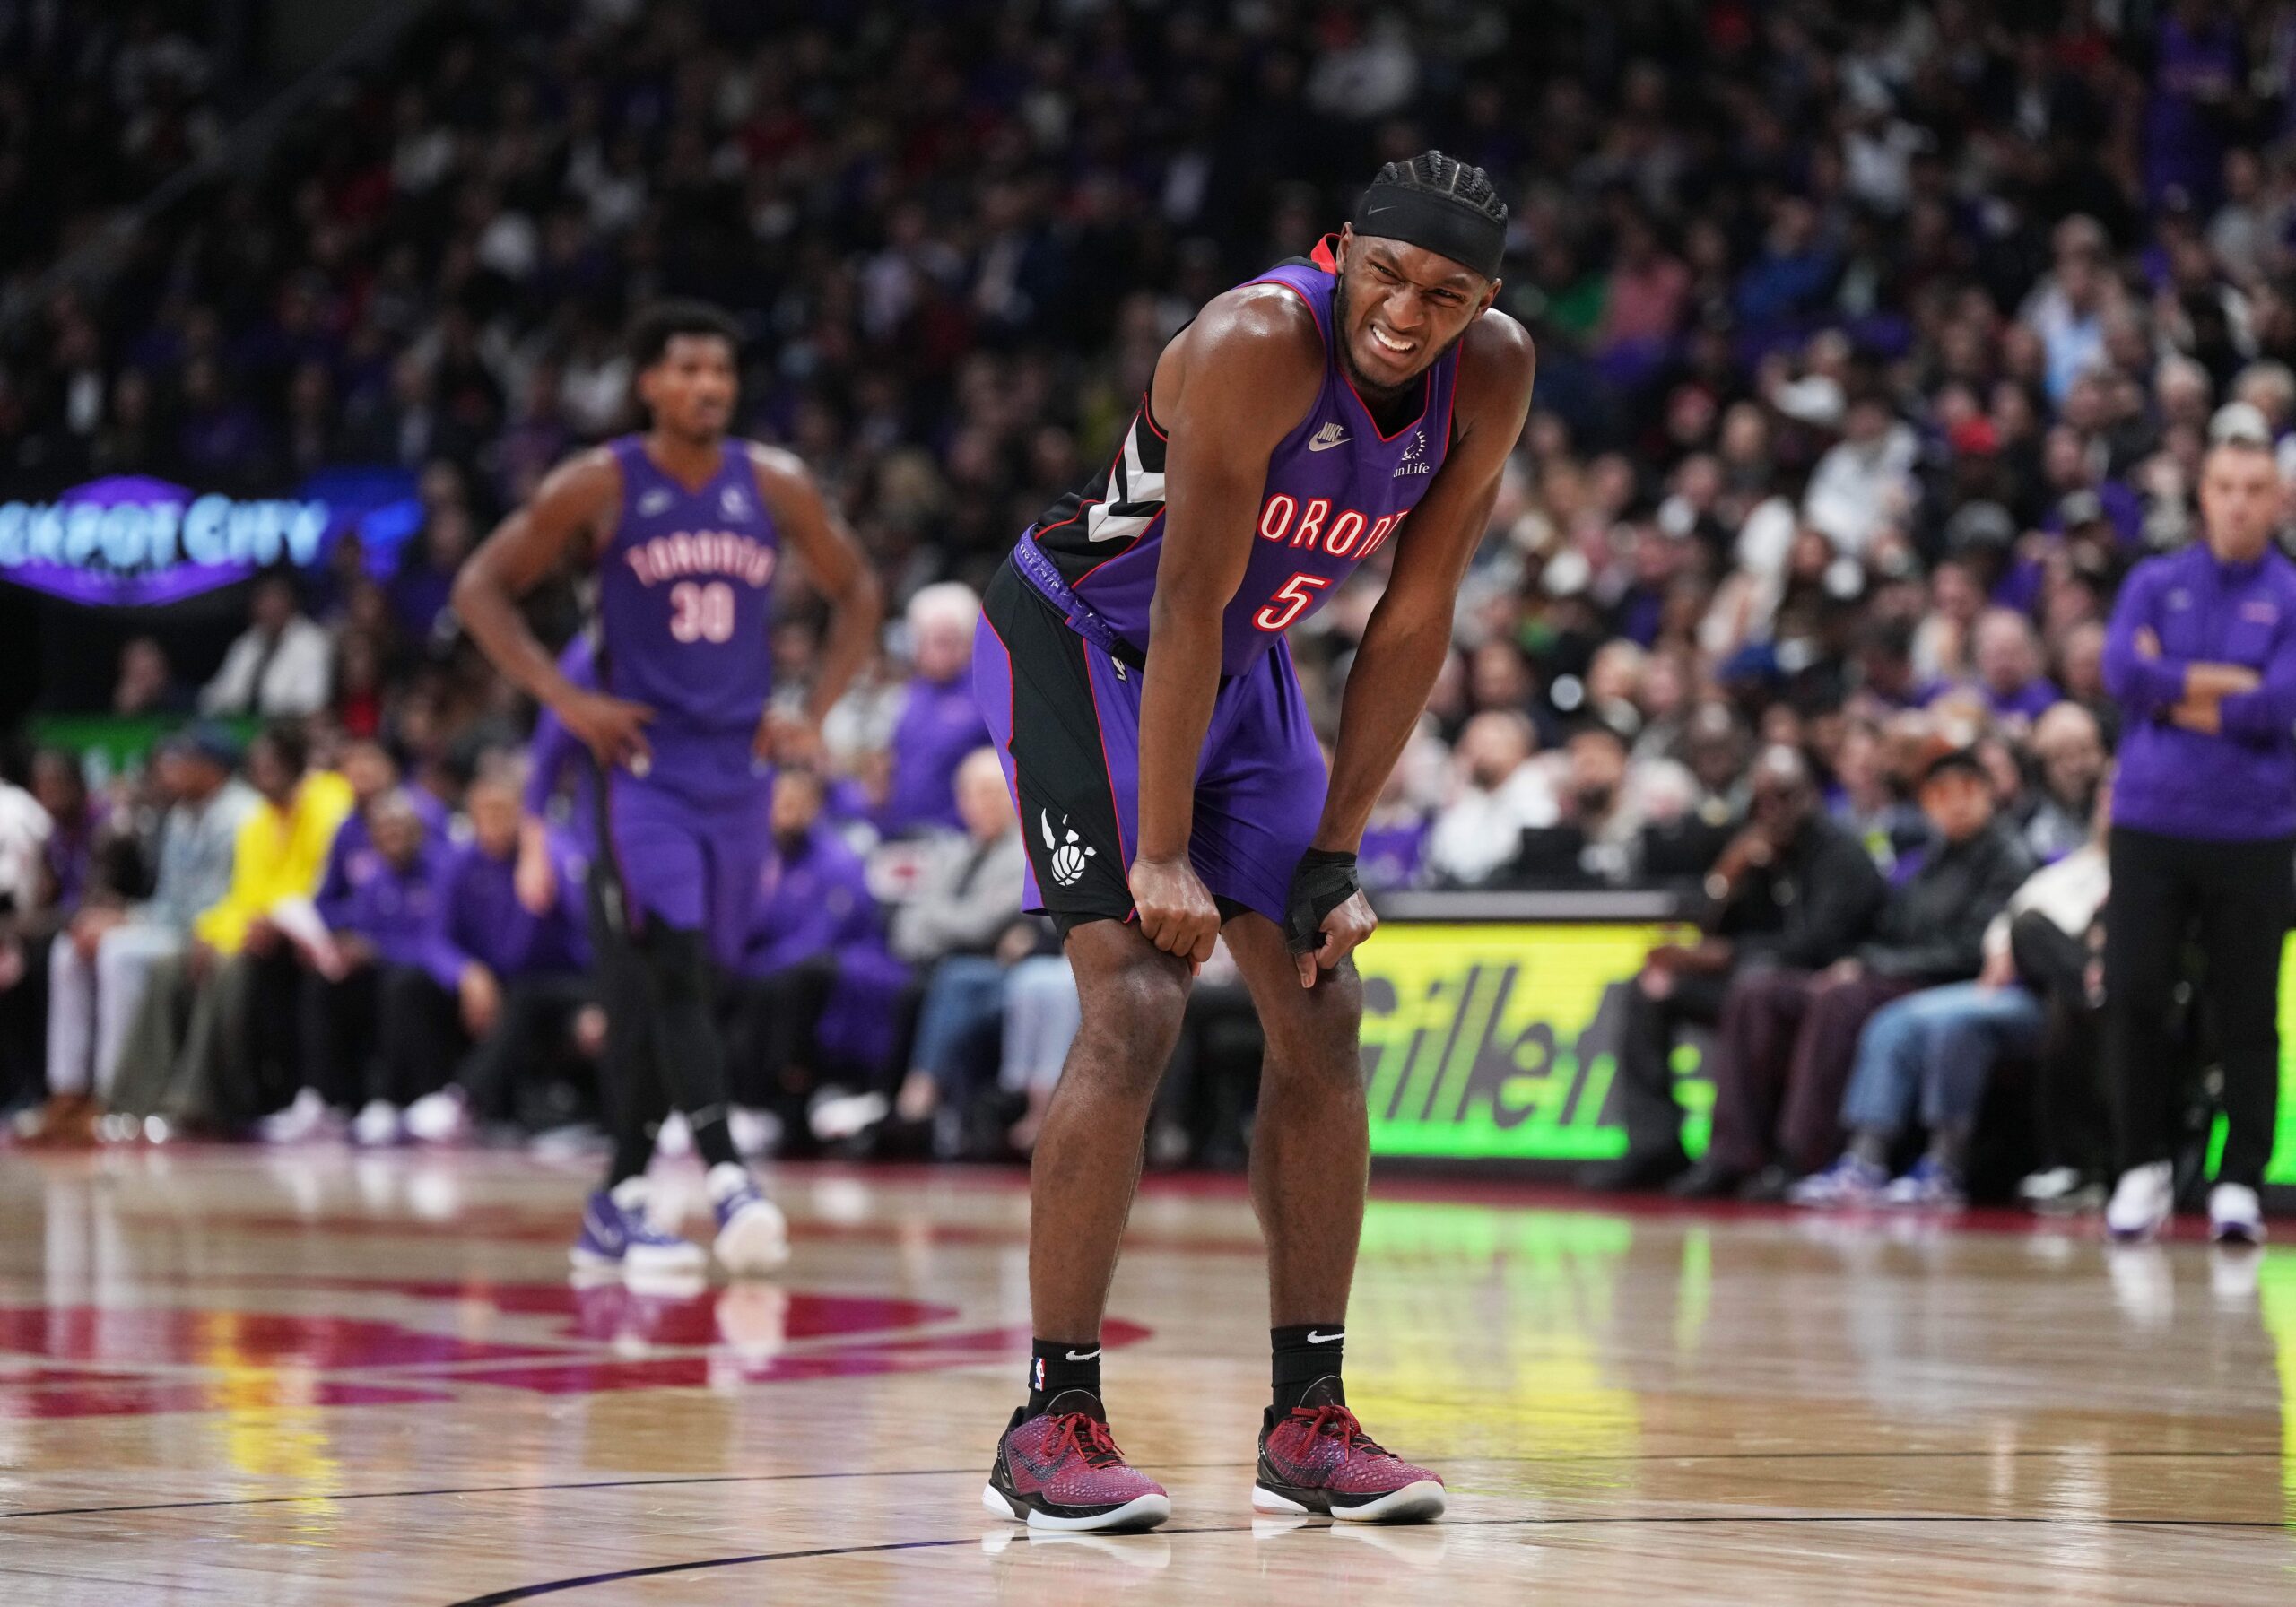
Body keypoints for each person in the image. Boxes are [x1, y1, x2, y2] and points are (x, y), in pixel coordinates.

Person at [972, 152, 1535, 1530]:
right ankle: (1050, 1420)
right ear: (1342, 252)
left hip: (1250, 666)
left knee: (1324, 1011)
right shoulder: (1253, 339)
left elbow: (1412, 618)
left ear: (1486, 302)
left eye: (1447, 295)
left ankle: (1309, 1422)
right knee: (1138, 1001)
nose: (1411, 312)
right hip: (1088, 641)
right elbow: (1183, 603)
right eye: (1391, 278)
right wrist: (1162, 854)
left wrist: (1336, 851)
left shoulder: (1494, 374)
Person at [453, 300, 882, 1280]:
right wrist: (566, 697)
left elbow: (858, 590)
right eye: (687, 370)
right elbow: (479, 586)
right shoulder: (599, 482)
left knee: (695, 980)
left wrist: (810, 709)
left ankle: (618, 1199)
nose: (707, 388)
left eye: (721, 373)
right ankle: (729, 1178)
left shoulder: (773, 484)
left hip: (737, 772)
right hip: (640, 773)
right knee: (671, 968)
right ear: (647, 381)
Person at [1675, 742, 2034, 1200]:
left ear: (1989, 794)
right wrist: (1862, 960)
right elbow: (1888, 928)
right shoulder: (1929, 857)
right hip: (1887, 971)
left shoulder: (2007, 859)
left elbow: (1969, 951)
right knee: (1757, 991)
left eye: (1966, 789)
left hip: (1945, 984)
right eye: (1940, 792)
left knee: (1838, 1000)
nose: (1955, 802)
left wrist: (1869, 965)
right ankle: (1732, 1152)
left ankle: (1802, 1155)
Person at [2098, 422, 2296, 1244]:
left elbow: (2276, 706)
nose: (2239, 504)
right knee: (2135, 995)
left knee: (2246, 1011)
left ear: (2280, 502)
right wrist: (2224, 687)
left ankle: (2238, 1182)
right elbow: (2119, 673)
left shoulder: (2291, 593)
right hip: (2150, 822)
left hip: (2255, 831)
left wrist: (2170, 688)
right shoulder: (2153, 581)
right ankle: (2140, 1168)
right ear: (2202, 495)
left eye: (2255, 490)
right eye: (2225, 487)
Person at [1792, 780, 2112, 1210]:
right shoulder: (2069, 867)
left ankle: (1945, 1165)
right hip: (2005, 984)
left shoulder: (2130, 873)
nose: (2110, 807)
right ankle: (1865, 1159)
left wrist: (2023, 944)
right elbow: (2010, 917)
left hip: (2056, 1001)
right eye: (2106, 798)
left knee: (1954, 1024)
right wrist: (2002, 945)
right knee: (1895, 1019)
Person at [1582, 745, 1884, 1191]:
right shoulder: (1752, 850)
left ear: (1810, 796)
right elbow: (1707, 924)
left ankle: (1739, 1153)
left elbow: (1817, 945)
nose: (1772, 811)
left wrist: (1724, 956)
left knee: (1752, 990)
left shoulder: (1842, 855)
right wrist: (1727, 876)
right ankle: (1655, 1145)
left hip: (1822, 985)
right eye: (1761, 801)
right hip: (1756, 978)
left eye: (1784, 797)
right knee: (1648, 987)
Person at [31, 728, 252, 1146]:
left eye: (183, 760)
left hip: (213, 933)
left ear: (213, 767)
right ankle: (69, 1090)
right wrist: (126, 915)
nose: (172, 770)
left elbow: (217, 904)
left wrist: (127, 923)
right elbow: (169, 898)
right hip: (173, 923)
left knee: (117, 953)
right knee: (69, 949)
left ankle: (113, 1092)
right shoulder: (184, 814)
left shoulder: (241, 816)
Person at [875, 582, 991, 837]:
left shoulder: (985, 693)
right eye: (926, 640)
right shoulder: (909, 695)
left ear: (966, 641)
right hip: (902, 832)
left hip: (959, 835)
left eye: (945, 641)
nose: (934, 651)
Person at [198, 574, 334, 718]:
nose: (267, 609)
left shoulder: (313, 643)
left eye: (274, 602)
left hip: (289, 731)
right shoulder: (247, 642)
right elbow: (217, 693)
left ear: (290, 604)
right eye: (262, 602)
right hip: (239, 726)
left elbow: (311, 702)